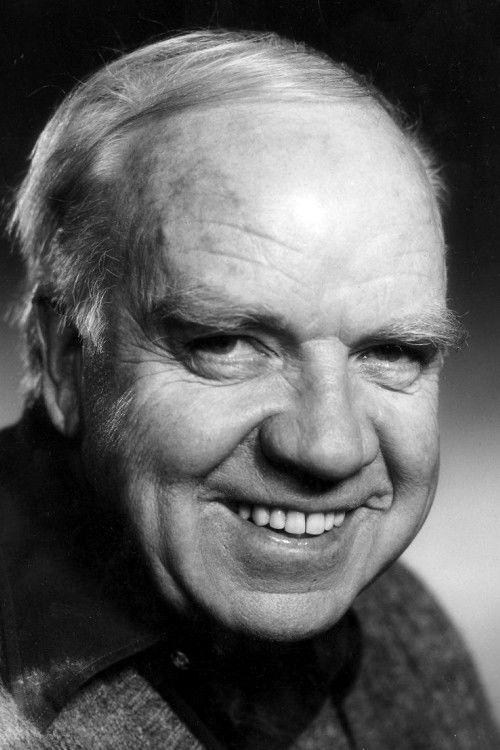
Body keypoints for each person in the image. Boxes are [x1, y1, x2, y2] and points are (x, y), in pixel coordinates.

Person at [0, 29, 497, 749]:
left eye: (393, 352)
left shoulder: (406, 634)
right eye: (228, 344)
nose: (329, 449)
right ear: (62, 360)